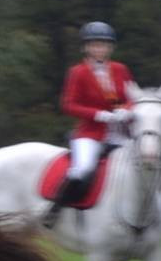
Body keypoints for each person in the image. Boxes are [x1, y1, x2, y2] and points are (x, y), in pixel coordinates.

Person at [43, 21, 134, 228]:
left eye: (103, 45)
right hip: (90, 133)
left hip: (121, 132)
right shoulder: (78, 72)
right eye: (95, 45)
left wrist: (125, 110)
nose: (99, 49)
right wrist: (99, 115)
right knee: (82, 169)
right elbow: (68, 105)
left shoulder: (121, 69)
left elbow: (132, 97)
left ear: (111, 47)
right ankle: (55, 210)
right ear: (86, 47)